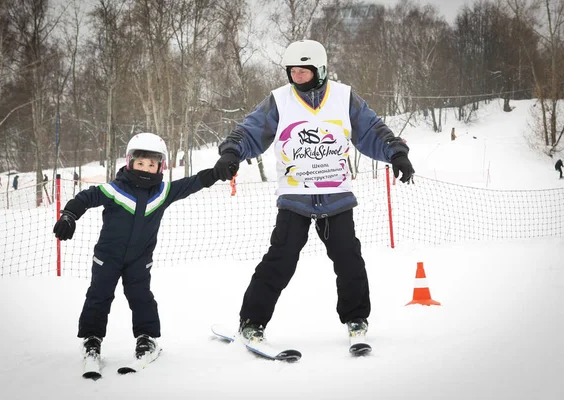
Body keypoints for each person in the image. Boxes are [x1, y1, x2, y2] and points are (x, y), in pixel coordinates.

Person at [213, 39, 414, 346]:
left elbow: (373, 130)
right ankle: (252, 322)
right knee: (280, 260)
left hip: (336, 197)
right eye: (292, 71)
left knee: (348, 258)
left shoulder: (344, 98)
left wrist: (396, 153)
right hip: (296, 198)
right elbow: (250, 130)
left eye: (304, 71)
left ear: (319, 70)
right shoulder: (279, 101)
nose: (297, 76)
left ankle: (356, 318)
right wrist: (231, 152)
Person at [53, 132, 223, 366]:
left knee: (141, 297)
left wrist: (216, 172)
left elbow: (192, 183)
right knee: (98, 296)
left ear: (160, 166)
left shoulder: (163, 193)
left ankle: (147, 338)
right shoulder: (114, 190)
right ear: (130, 162)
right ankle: (91, 339)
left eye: (151, 164)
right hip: (107, 258)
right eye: (140, 163)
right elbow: (84, 198)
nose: (145, 168)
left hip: (139, 260)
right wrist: (69, 216)